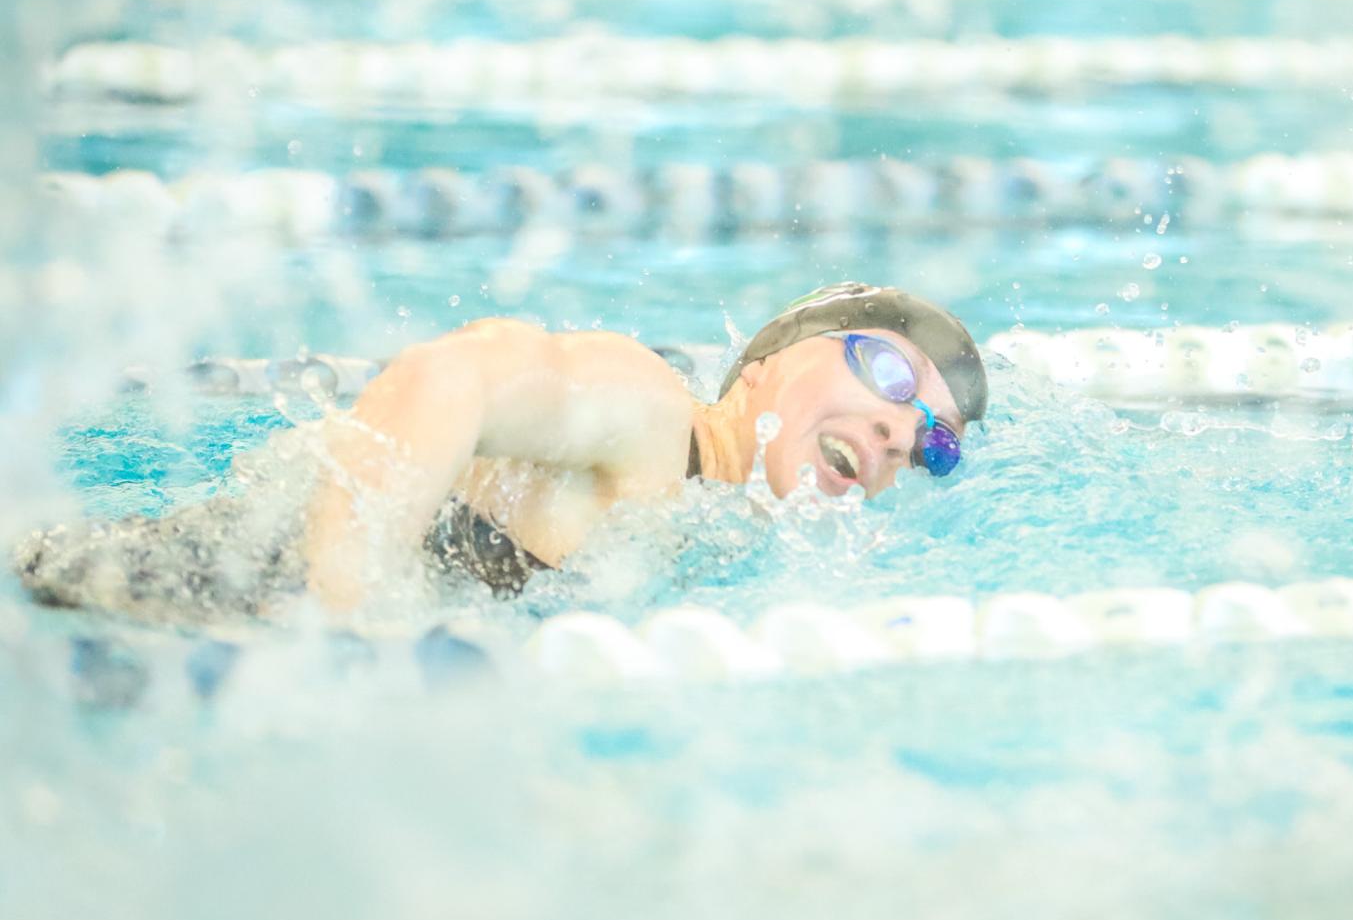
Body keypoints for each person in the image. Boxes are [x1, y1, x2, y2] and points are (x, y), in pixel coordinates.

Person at [15, 282, 988, 626]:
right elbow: (442, 378)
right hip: (177, 582)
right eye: (891, 378)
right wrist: (349, 622)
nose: (902, 433)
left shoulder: (715, 520)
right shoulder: (652, 411)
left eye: (932, 442)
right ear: (772, 363)